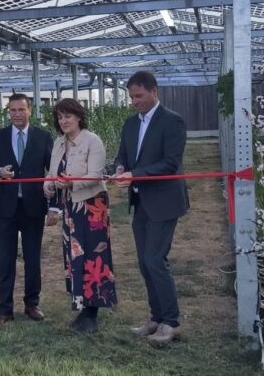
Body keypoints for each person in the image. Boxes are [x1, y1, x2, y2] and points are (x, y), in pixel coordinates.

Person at [112, 71, 189, 345]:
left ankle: (171, 322)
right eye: (131, 96)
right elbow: (123, 154)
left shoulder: (172, 121)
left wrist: (135, 174)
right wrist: (121, 167)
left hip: (164, 202)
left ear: (154, 92)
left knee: (156, 260)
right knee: (145, 263)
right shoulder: (130, 124)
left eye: (139, 96)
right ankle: (156, 318)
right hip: (141, 202)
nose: (135, 101)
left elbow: (170, 163)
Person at [0, 93, 53, 328]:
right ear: (8, 112)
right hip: (5, 208)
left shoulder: (43, 137)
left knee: (32, 258)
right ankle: (5, 309)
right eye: (12, 110)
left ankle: (32, 304)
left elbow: (52, 172)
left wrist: (54, 206)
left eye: (21, 110)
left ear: (30, 110)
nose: (17, 114)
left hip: (33, 207)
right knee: (5, 260)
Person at [44, 98, 117, 334]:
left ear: (78, 117)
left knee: (93, 257)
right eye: (60, 117)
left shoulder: (92, 141)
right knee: (74, 255)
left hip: (91, 205)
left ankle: (92, 313)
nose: (64, 121)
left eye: (68, 116)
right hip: (70, 206)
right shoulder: (58, 143)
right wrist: (49, 185)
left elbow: (96, 175)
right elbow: (54, 172)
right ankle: (82, 307)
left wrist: (68, 183)